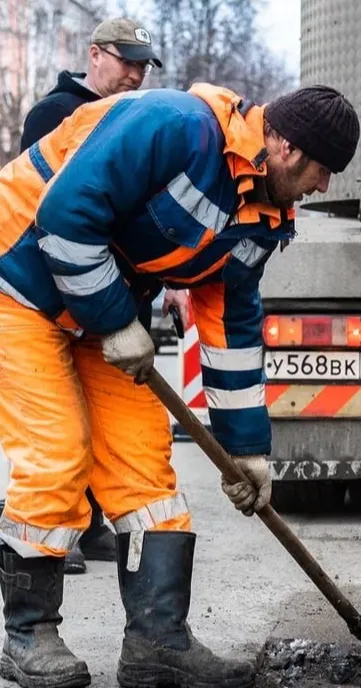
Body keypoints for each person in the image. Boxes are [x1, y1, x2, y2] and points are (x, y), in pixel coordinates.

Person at [0, 82, 359, 687]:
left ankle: (157, 644)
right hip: (20, 282)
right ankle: (28, 635)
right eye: (322, 171)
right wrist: (118, 321)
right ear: (287, 147)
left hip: (92, 306)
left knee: (145, 464)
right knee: (58, 452)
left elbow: (231, 321)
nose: (323, 188)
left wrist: (247, 452)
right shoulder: (175, 126)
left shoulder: (265, 214)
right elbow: (63, 218)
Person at [14, 16, 189, 577]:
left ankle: (90, 529)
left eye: (143, 64)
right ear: (95, 55)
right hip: (53, 299)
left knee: (123, 431)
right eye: (126, 60)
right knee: (61, 433)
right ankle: (52, 541)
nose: (136, 73)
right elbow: (52, 215)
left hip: (114, 300)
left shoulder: (140, 120)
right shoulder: (53, 114)